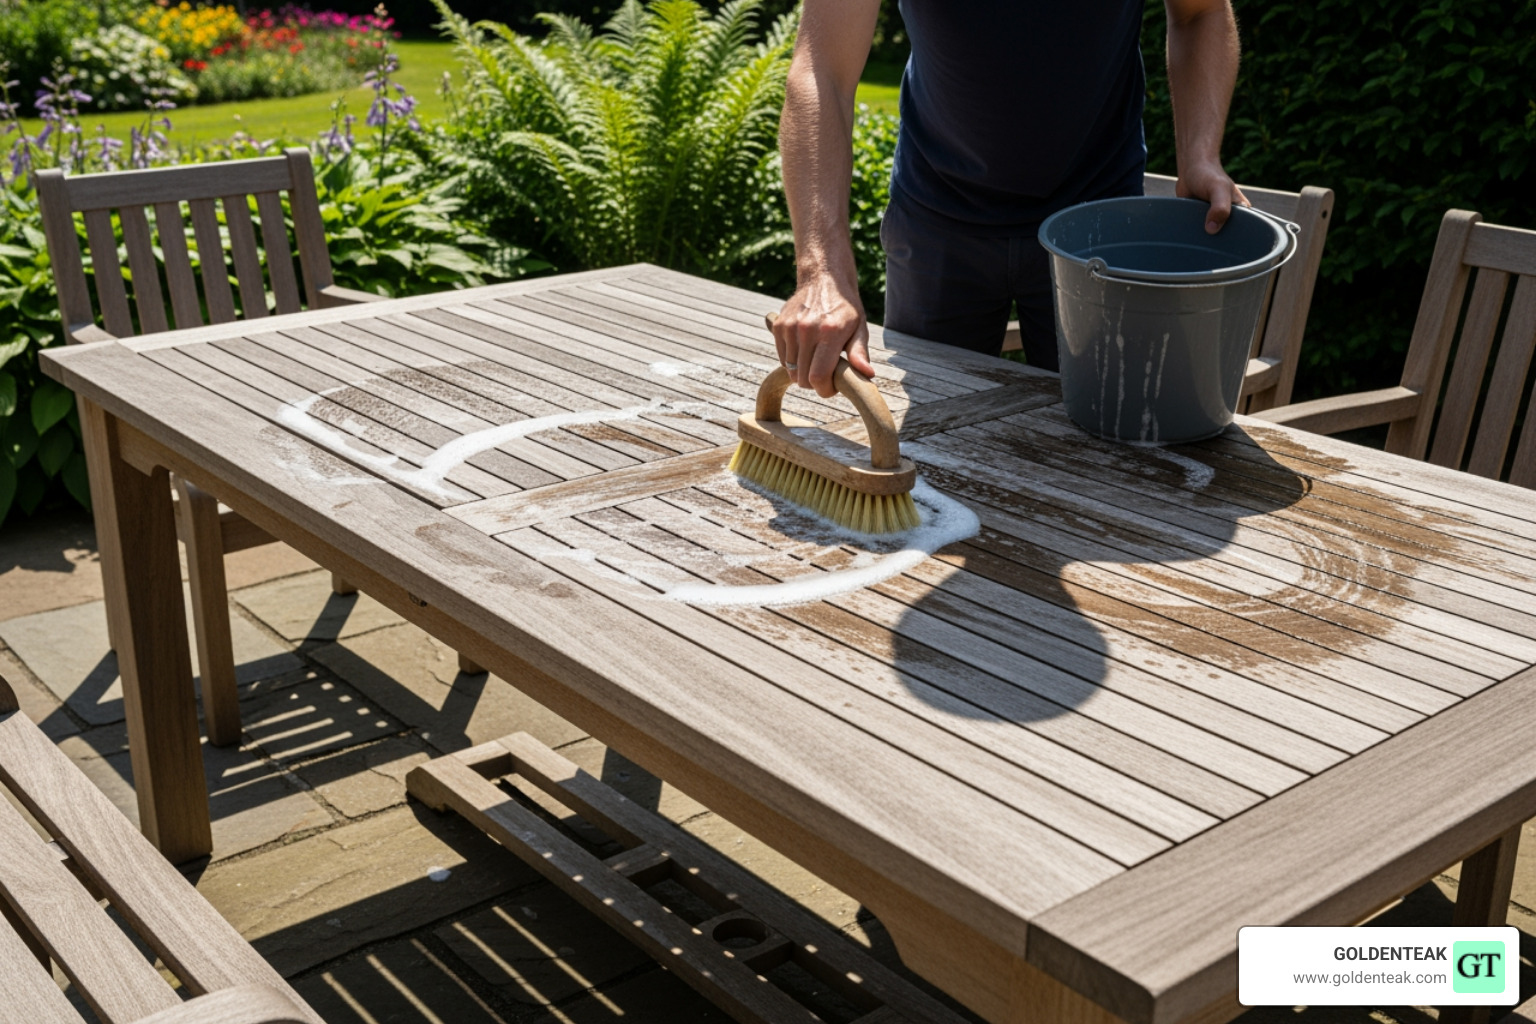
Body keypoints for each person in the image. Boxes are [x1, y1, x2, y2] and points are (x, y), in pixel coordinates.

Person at [772, 0, 1247, 397]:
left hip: (1094, 225)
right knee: (932, 451)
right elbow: (822, 69)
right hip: (938, 218)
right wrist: (822, 269)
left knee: (1103, 451)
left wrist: (1200, 155)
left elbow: (1199, 11)